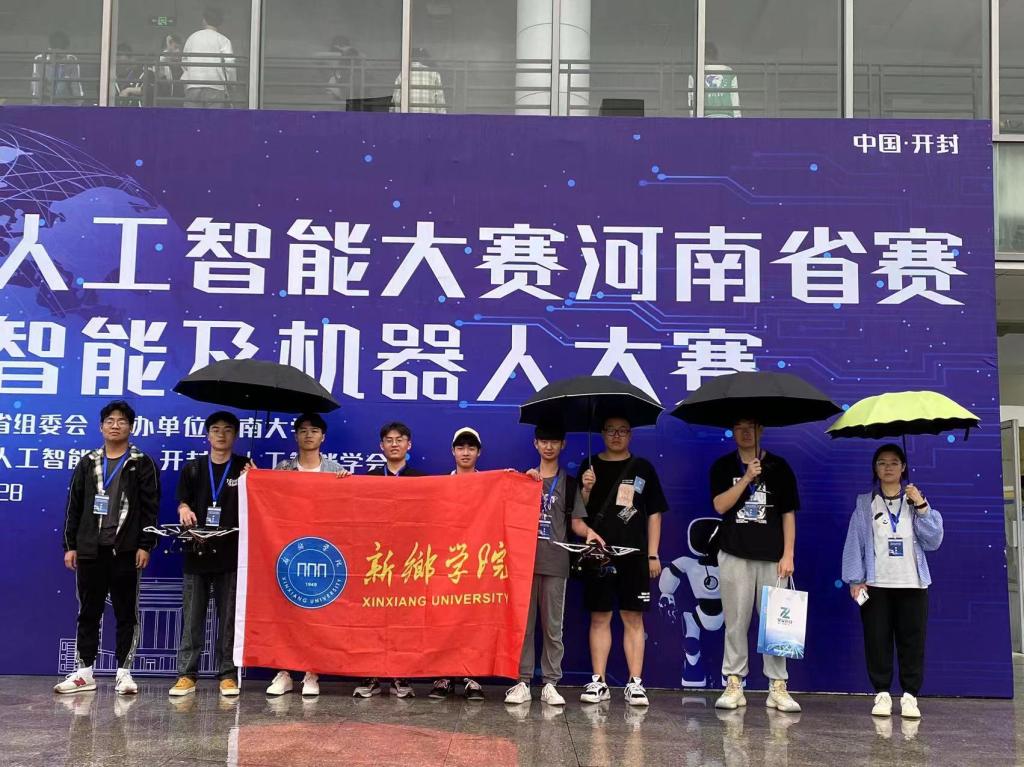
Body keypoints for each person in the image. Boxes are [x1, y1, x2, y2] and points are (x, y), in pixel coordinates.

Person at [54, 400, 160, 695]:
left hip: (125, 551)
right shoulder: (88, 462)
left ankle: (124, 673)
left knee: (126, 614)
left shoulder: (141, 462)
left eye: (122, 421)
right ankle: (84, 672)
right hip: (90, 550)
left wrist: (145, 544)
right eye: (110, 421)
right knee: (88, 612)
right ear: (101, 427)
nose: (115, 425)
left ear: (131, 427)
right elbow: (74, 506)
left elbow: (151, 508)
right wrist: (70, 545)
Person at [842, 444, 943, 720]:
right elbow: (855, 542)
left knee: (913, 641)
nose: (888, 467)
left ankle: (910, 696)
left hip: (912, 585)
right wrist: (855, 579)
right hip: (876, 586)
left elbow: (934, 541)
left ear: (903, 468)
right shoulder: (865, 503)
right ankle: (882, 694)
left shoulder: (914, 500)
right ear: (875, 469)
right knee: (877, 641)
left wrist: (921, 504)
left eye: (894, 462)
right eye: (882, 463)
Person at [504, 425, 601, 706]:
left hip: (556, 562)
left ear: (562, 445)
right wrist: (518, 482)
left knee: (553, 627)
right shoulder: (525, 479)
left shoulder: (569, 484)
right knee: (524, 626)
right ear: (535, 444)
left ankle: (550, 683)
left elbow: (576, 523)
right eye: (544, 441)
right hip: (524, 564)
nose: (548, 447)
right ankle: (522, 682)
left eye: (554, 441)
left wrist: (589, 532)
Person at [710, 418, 801, 713]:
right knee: (736, 622)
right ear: (732, 432)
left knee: (776, 625)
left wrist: (788, 554)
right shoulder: (723, 466)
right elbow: (720, 506)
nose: (745, 432)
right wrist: (747, 478)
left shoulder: (780, 467)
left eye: (751, 426)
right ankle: (734, 682)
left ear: (761, 430)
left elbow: (788, 514)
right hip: (734, 554)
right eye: (739, 427)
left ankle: (777, 686)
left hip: (773, 558)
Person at [576, 416, 668, 707]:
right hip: (598, 556)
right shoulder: (589, 466)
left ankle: (635, 683)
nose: (616, 436)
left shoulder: (643, 468)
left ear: (630, 435)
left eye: (622, 431)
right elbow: (577, 513)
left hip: (635, 556)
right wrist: (586, 489)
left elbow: (654, 513)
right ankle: (599, 681)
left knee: (633, 617)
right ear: (602, 433)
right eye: (611, 430)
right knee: (599, 617)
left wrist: (653, 553)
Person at [168, 411, 252, 699]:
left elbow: (257, 502)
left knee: (228, 619)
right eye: (215, 429)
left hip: (231, 554)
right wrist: (184, 509)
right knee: (193, 618)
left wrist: (253, 480)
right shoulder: (193, 468)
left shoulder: (243, 467)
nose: (221, 434)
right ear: (207, 435)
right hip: (197, 552)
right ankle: (186, 674)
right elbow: (182, 502)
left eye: (228, 430)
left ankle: (227, 674)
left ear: (235, 435)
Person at [265, 413, 346, 697]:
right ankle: (284, 672)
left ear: (323, 436)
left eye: (314, 430)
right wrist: (254, 479)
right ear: (296, 436)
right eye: (303, 430)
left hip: (322, 552)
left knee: (316, 611)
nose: (308, 435)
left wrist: (347, 483)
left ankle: (311, 673)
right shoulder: (283, 469)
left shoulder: (336, 470)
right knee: (286, 610)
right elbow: (268, 501)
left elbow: (347, 508)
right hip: (288, 550)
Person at [353, 422, 425, 699]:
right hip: (375, 562)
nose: (394, 444)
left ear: (409, 445)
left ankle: (400, 676)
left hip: (408, 562)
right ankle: (370, 676)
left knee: (404, 619)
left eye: (400, 439)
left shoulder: (423, 480)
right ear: (381, 446)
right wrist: (341, 483)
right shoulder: (368, 479)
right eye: (389, 440)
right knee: (372, 618)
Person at [430, 427, 487, 701]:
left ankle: (472, 677)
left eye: (471, 448)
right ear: (453, 451)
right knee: (444, 618)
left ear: (479, 452)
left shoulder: (490, 484)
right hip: (445, 563)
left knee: (474, 619)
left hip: (478, 563)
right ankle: (443, 676)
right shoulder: (440, 484)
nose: (465, 453)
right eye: (461, 448)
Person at [182, 7, 236, 108]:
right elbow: (230, 65)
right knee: (214, 118)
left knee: (192, 117)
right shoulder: (224, 40)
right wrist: (232, 84)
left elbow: (184, 61)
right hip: (216, 86)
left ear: (204, 20)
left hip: (193, 85)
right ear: (220, 23)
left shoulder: (192, 37)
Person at [32, 31, 84, 105]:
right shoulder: (40, 59)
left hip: (64, 104)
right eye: (55, 45)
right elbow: (37, 86)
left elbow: (75, 86)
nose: (58, 49)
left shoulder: (71, 60)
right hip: (46, 103)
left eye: (60, 46)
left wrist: (77, 104)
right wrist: (36, 105)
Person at [391, 47, 446, 113]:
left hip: (408, 117)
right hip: (429, 118)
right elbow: (440, 104)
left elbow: (396, 101)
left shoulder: (402, 75)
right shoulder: (434, 74)